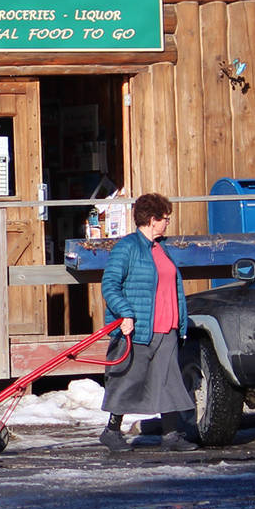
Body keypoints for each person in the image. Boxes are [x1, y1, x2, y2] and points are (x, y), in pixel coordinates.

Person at [97, 192, 198, 452]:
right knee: (128, 378)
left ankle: (171, 434)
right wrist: (125, 313)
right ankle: (111, 431)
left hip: (168, 327)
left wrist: (180, 324)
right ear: (152, 220)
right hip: (139, 328)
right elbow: (110, 284)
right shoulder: (128, 247)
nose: (167, 224)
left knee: (168, 380)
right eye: (165, 219)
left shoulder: (160, 248)